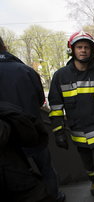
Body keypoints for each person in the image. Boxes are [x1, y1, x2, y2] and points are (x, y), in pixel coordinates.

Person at [48, 31, 94, 202]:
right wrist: (58, 131)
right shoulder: (60, 76)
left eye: (86, 47)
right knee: (89, 167)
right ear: (72, 50)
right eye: (79, 47)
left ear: (92, 50)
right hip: (78, 134)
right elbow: (56, 106)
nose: (83, 50)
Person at [0, 36, 65, 201]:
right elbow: (39, 99)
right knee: (46, 168)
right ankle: (54, 196)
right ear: (5, 46)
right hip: (32, 132)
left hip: (7, 143)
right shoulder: (26, 70)